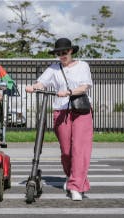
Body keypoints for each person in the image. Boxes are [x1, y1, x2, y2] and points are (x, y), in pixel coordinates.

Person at [25, 38, 96, 201]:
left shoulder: (82, 66)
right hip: (61, 111)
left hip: (81, 110)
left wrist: (69, 92)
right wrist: (33, 87)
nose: (62, 55)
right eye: (59, 53)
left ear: (71, 51)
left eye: (65, 52)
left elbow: (85, 86)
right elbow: (42, 82)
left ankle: (76, 187)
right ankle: (71, 176)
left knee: (79, 149)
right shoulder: (54, 68)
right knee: (66, 151)